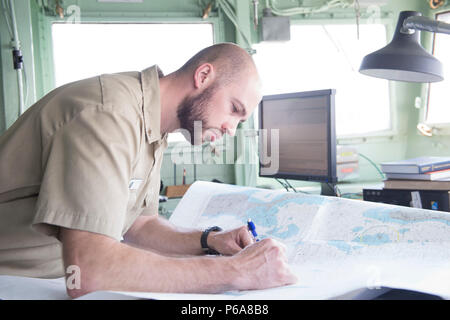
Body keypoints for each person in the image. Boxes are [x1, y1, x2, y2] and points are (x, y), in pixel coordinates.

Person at [0, 42, 297, 298]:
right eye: (234, 109)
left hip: (48, 277)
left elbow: (139, 225)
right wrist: (236, 271)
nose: (232, 130)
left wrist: (210, 241)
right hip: (13, 280)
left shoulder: (154, 124)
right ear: (203, 76)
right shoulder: (109, 115)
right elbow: (88, 271)